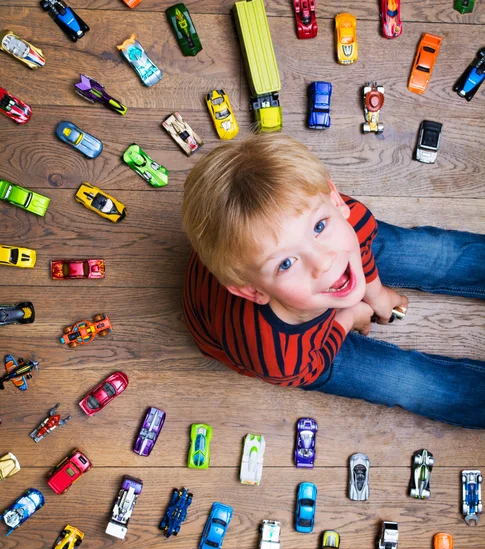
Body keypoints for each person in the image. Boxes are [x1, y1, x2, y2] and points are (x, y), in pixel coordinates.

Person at [182, 134, 485, 428]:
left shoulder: (347, 216)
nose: (324, 262)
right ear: (253, 289)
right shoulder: (274, 354)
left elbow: (359, 242)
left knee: (429, 251)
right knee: (405, 379)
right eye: (286, 263)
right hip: (290, 341)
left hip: (272, 277)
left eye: (319, 226)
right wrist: (347, 315)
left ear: (335, 199)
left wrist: (375, 292)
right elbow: (309, 369)